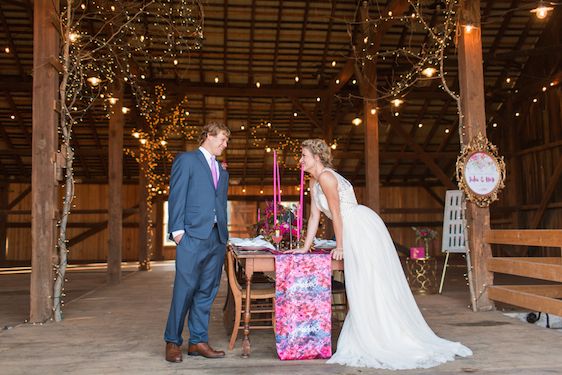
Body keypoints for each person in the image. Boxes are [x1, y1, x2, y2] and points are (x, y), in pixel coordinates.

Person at [290, 139, 472, 369]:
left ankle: (387, 334)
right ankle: (372, 330)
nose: (301, 159)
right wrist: (306, 247)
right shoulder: (314, 182)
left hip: (358, 228)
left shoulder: (326, 177)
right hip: (350, 228)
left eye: (304, 155)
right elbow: (314, 217)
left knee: (369, 282)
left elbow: (336, 213)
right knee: (362, 284)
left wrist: (341, 245)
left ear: (316, 158)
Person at [164, 122, 230, 363]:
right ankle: (173, 341)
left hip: (216, 237)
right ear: (209, 136)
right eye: (222, 139)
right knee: (184, 290)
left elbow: (220, 204)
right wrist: (178, 231)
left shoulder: (223, 171)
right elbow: (177, 194)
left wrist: (225, 236)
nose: (225, 144)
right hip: (191, 236)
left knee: (207, 291)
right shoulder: (187, 160)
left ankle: (197, 341)